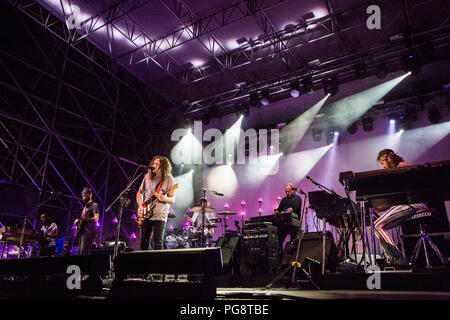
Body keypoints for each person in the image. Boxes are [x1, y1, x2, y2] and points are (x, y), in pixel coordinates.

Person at [374, 149, 427, 265]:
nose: (383, 167)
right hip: (409, 204)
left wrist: (385, 205)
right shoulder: (401, 167)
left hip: (412, 204)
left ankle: (396, 258)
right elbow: (402, 194)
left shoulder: (402, 168)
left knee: (377, 225)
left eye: (383, 163)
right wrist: (385, 207)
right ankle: (394, 258)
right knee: (380, 226)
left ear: (388, 158)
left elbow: (403, 195)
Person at [137, 156, 176, 250]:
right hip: (146, 214)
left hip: (160, 215)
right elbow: (139, 193)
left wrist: (164, 198)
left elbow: (172, 199)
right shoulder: (147, 177)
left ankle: (159, 264)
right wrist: (140, 206)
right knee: (144, 242)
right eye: (153, 163)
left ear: (163, 166)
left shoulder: (169, 179)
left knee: (158, 242)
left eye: (156, 164)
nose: (153, 165)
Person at [273, 183, 302, 250]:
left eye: (288, 191)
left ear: (293, 190)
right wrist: (277, 211)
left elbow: (294, 208)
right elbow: (279, 209)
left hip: (294, 224)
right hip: (284, 224)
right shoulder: (284, 200)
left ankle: (293, 258)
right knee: (279, 241)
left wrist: (285, 211)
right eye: (286, 191)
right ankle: (280, 257)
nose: (287, 193)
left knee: (294, 243)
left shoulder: (298, 198)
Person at [74, 187, 99, 255]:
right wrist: (78, 221)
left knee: (83, 252)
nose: (83, 196)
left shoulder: (94, 205)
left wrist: (88, 218)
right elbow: (84, 219)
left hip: (89, 231)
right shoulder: (85, 206)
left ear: (90, 194)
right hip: (83, 231)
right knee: (80, 252)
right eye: (82, 194)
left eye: (85, 194)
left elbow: (96, 218)